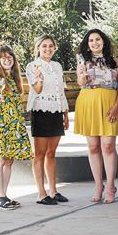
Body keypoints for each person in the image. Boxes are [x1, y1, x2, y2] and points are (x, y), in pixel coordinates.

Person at [74, 29, 118, 204]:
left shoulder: (114, 62)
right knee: (93, 146)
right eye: (91, 40)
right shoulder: (83, 62)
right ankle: (98, 186)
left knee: (108, 146)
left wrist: (116, 107)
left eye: (98, 39)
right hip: (88, 102)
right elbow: (80, 83)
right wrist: (82, 77)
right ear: (87, 44)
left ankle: (110, 186)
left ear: (104, 41)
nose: (94, 43)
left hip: (109, 103)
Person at [25, 35, 69, 205]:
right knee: (40, 154)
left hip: (56, 111)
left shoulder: (57, 66)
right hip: (41, 111)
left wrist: (65, 114)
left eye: (51, 46)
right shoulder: (33, 66)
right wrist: (39, 79)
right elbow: (36, 90)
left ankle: (53, 191)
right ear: (38, 48)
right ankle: (41, 194)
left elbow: (61, 92)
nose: (48, 49)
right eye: (44, 46)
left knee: (52, 153)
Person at [0, 46, 32, 209]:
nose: (7, 60)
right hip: (0, 124)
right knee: (0, 160)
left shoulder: (13, 78)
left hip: (13, 124)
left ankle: (4, 195)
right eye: (3, 58)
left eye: (9, 57)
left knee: (9, 161)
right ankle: (0, 197)